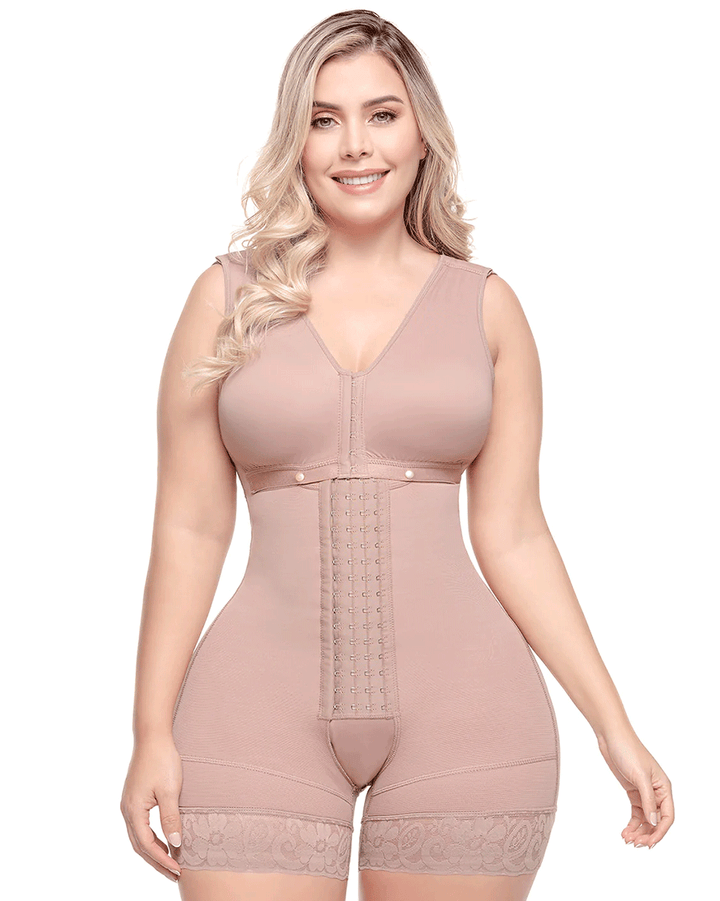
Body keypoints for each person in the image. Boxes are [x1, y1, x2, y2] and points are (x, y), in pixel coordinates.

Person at [120, 9, 675, 901]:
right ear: (296, 141)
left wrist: (616, 727)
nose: (355, 145)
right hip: (252, 711)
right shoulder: (226, 298)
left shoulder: (487, 307)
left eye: (381, 114)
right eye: (324, 119)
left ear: (422, 133)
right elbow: (189, 526)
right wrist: (150, 729)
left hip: (471, 714)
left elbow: (516, 535)